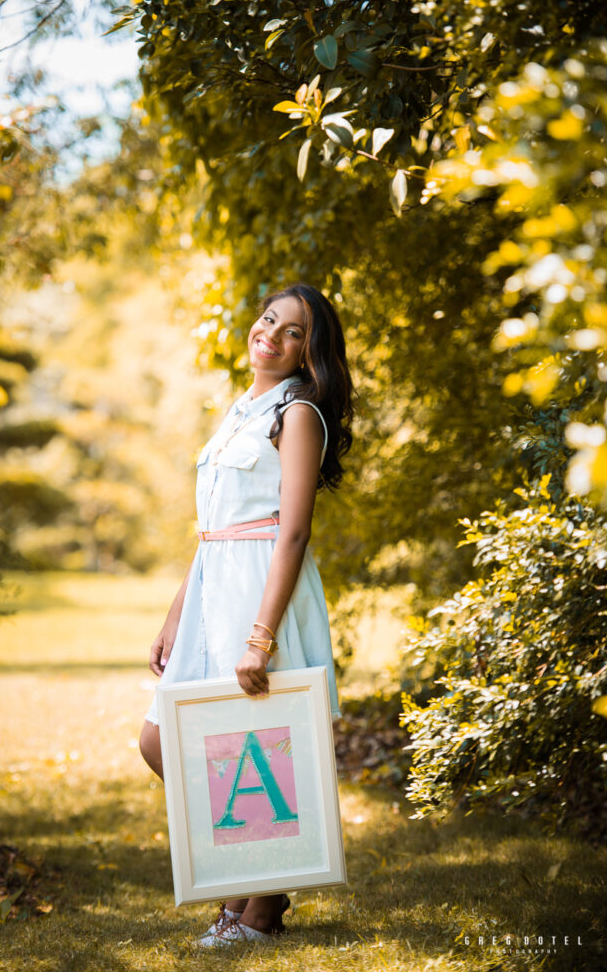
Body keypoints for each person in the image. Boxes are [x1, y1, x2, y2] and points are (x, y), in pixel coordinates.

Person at [139, 282, 353, 947]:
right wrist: (178, 611)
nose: (272, 334)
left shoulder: (298, 416)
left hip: (262, 587)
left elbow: (291, 531)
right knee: (162, 740)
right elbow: (213, 527)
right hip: (213, 585)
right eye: (269, 320)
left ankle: (257, 906)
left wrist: (261, 636)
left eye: (293, 331)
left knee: (258, 745)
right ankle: (258, 881)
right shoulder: (238, 410)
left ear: (308, 354)